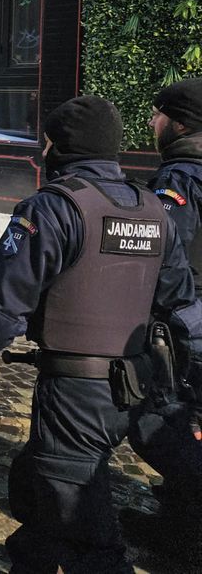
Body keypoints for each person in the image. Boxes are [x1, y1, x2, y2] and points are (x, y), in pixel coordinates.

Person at [0, 96, 202, 573]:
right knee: (37, 489)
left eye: (47, 141)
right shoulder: (153, 209)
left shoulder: (54, 208)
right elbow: (180, 302)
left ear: (62, 146)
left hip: (75, 392)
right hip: (136, 384)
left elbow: (1, 312)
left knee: (88, 533)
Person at [123, 79, 202, 551]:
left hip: (187, 318)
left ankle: (183, 530)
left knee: (161, 420)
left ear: (179, 123)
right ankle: (181, 510)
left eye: (157, 115)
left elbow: (165, 255)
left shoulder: (179, 178)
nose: (152, 123)